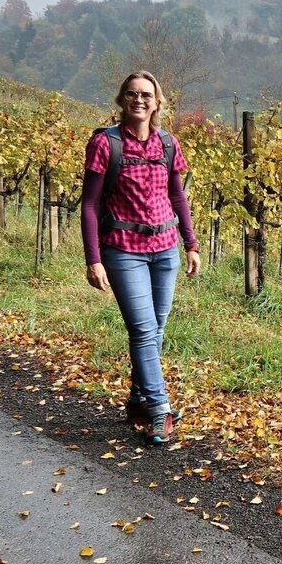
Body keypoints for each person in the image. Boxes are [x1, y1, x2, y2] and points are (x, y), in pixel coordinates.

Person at [80, 71, 201, 444]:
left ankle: (138, 400)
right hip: (122, 250)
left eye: (146, 94)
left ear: (157, 101)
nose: (139, 100)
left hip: (165, 249)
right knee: (144, 331)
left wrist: (191, 243)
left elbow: (178, 197)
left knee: (155, 331)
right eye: (132, 94)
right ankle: (160, 409)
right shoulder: (105, 143)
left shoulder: (168, 144)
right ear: (122, 99)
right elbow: (89, 204)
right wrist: (93, 258)